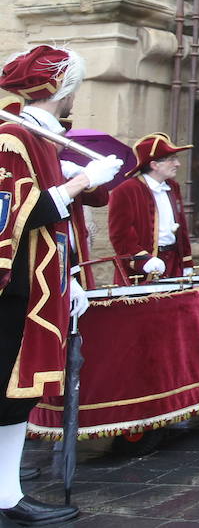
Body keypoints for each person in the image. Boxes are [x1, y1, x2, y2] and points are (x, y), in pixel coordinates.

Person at [0, 45, 121, 525]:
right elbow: (11, 217)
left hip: (40, 287)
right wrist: (75, 183)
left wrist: (69, 279)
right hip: (15, 290)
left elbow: (57, 226)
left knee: (17, 397)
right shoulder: (14, 137)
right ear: (59, 88)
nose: (77, 99)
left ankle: (8, 494)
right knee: (7, 394)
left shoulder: (44, 140)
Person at [106, 133, 195, 286]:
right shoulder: (126, 190)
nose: (178, 164)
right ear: (154, 165)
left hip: (174, 262)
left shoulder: (173, 187)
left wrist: (187, 262)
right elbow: (120, 235)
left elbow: (182, 228)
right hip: (143, 268)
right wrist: (143, 260)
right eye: (171, 159)